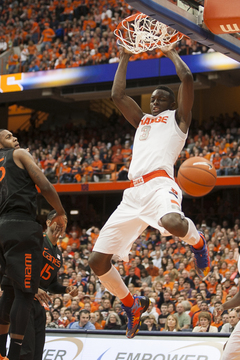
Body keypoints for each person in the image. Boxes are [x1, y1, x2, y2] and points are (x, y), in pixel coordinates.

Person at [89, 44, 211, 339]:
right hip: (132, 194)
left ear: (171, 104)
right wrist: (124, 57)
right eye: (153, 99)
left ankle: (197, 242)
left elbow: (187, 80)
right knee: (97, 262)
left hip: (161, 185)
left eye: (160, 100)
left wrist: (169, 52)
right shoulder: (142, 120)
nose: (155, 103)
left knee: (171, 223)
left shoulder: (178, 120)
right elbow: (117, 95)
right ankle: (131, 305)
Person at [0, 129, 67, 360]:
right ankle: (14, 354)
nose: (15, 139)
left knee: (8, 289)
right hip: (21, 225)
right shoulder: (18, 154)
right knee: (24, 294)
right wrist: (60, 211)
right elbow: (44, 184)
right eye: (9, 136)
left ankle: (1, 352)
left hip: (2, 226)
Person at [18, 210, 78, 360]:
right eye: (58, 220)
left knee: (38, 352)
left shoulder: (58, 254)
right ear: (48, 223)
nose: (62, 224)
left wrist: (66, 289)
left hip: (39, 305)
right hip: (23, 298)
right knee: (26, 351)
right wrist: (33, 287)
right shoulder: (36, 239)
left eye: (65, 221)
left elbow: (51, 284)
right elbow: (16, 266)